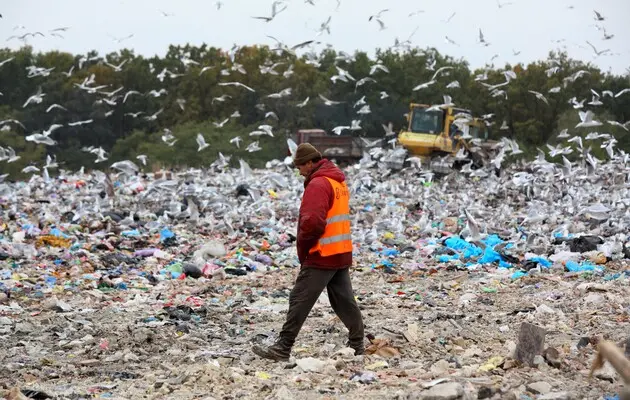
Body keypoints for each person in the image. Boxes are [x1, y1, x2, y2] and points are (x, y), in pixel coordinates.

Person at [252, 143, 365, 361]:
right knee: (344, 300)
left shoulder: (318, 184)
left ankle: (282, 347)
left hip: (321, 253)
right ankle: (357, 345)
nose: (299, 170)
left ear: (311, 163)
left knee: (300, 298)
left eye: (301, 166)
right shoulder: (337, 181)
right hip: (340, 251)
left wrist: (304, 249)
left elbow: (312, 223)